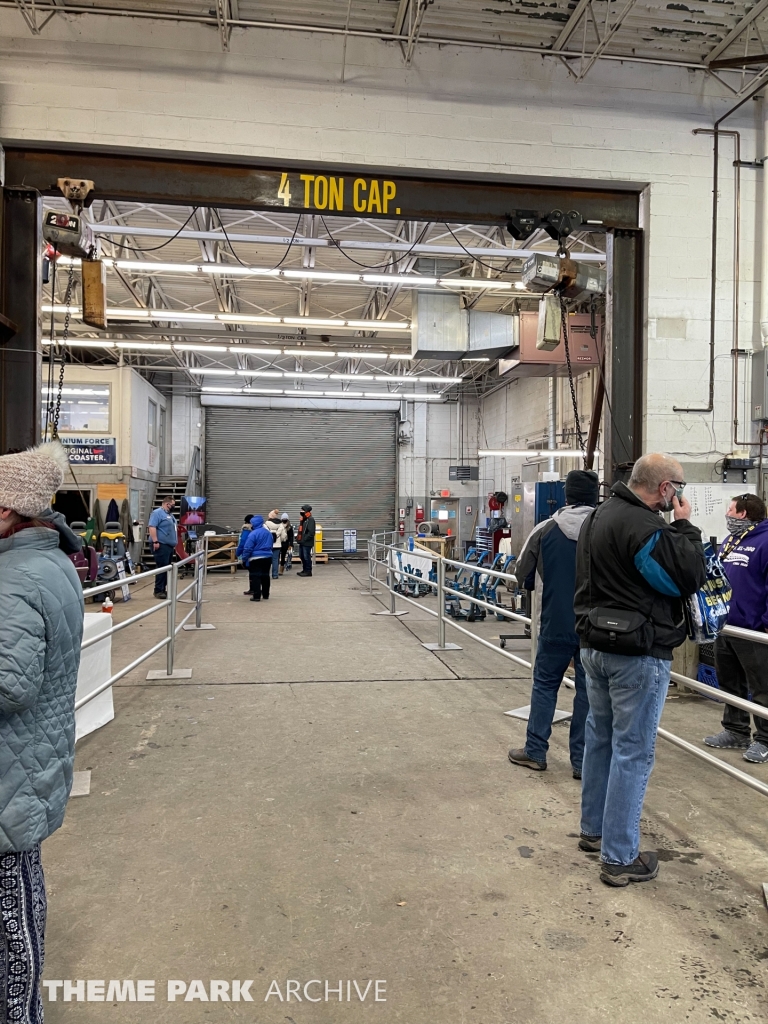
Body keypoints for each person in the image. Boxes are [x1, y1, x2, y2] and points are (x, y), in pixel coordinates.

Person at [573, 453, 706, 887]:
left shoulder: (598, 517)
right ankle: (619, 856)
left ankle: (594, 831)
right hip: (637, 652)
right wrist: (685, 528)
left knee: (601, 740)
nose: (680, 495)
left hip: (594, 645)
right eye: (679, 487)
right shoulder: (647, 526)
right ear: (665, 489)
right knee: (633, 751)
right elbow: (685, 577)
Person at [0, 441, 84, 1024]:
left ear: (7, 511)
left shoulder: (14, 579)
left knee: (11, 919)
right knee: (20, 901)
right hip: (28, 765)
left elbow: (10, 685)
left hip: (10, 771)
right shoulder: (51, 562)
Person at [508, 470, 599, 779]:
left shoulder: (545, 529)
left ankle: (535, 751)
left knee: (545, 685)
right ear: (596, 495)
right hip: (595, 629)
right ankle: (582, 761)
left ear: (567, 496)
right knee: (588, 693)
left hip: (555, 624)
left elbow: (522, 575)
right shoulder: (608, 529)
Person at [704, 493, 768, 763]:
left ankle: (765, 739)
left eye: (730, 509)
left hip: (753, 630)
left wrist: (763, 625)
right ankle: (735, 730)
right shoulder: (732, 540)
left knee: (762, 687)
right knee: (729, 681)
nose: (727, 514)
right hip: (726, 626)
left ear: (742, 513)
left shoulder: (765, 541)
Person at [148, 495, 178, 599]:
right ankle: (158, 590)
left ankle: (163, 589)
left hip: (168, 546)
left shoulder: (170, 515)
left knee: (166, 568)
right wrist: (155, 541)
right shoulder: (157, 513)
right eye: (173, 505)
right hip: (160, 545)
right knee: (162, 568)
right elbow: (152, 527)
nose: (174, 506)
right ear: (167, 504)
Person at [241, 515, 274, 601]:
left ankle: (256, 596)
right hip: (267, 556)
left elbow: (248, 548)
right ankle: (266, 594)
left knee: (256, 576)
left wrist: (244, 558)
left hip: (255, 558)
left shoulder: (253, 534)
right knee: (266, 576)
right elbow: (271, 544)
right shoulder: (268, 533)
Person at [236, 514, 256, 594]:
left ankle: (253, 589)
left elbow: (243, 543)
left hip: (249, 555)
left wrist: (238, 553)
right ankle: (256, 589)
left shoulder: (246, 530)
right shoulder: (258, 529)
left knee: (252, 573)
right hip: (260, 554)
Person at [264, 509, 284, 580]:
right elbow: (283, 535)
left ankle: (266, 574)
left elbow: (265, 534)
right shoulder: (280, 524)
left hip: (268, 544)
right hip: (277, 544)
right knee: (275, 560)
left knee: (267, 559)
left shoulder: (266, 524)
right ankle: (275, 575)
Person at [297, 504, 316, 577]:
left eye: (302, 510)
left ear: (306, 511)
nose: (300, 511)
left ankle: (308, 571)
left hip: (307, 543)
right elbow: (301, 531)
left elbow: (311, 532)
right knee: (301, 556)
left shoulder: (310, 519)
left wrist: (304, 539)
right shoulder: (303, 519)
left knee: (306, 556)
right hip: (302, 542)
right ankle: (304, 570)